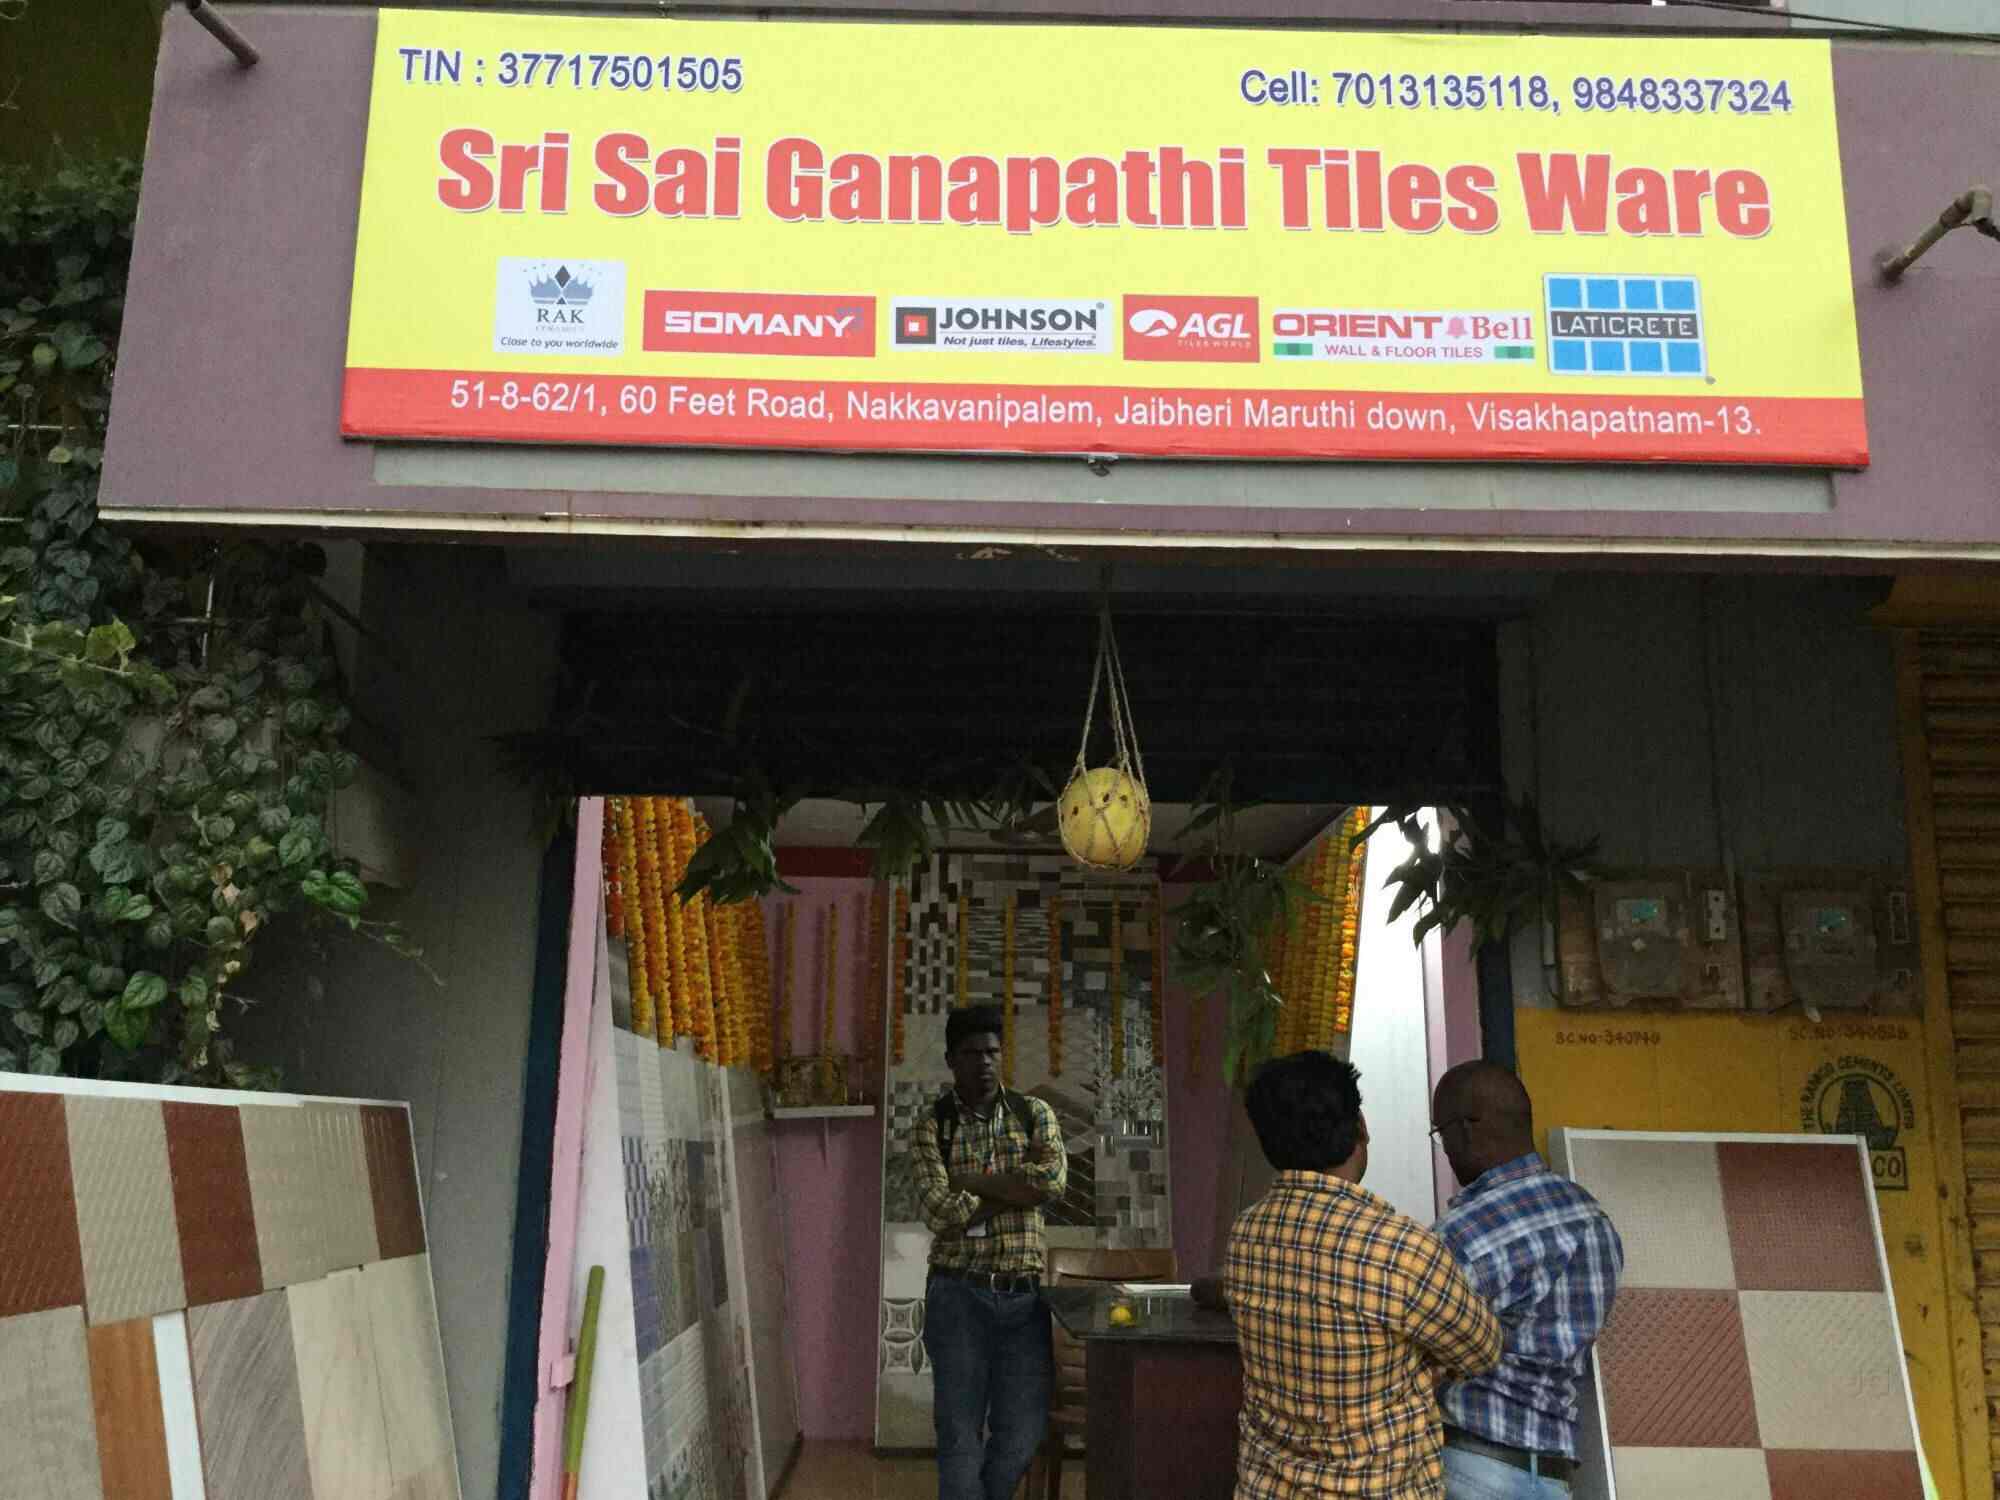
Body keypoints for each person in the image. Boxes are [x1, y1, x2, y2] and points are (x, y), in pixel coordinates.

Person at [1224, 1051, 1502, 1499]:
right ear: (1361, 1128)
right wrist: (1416, 1363)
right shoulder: (1401, 1249)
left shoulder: (1246, 1234)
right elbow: (1481, 1351)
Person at [1429, 1062, 1623, 1499]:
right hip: (1553, 1479)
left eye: (1441, 1135)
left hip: (1470, 1470)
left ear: (1467, 1129)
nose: (1447, 1149)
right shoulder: (1593, 1222)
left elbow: (1416, 1355)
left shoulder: (1463, 1233)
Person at [910, 1003, 1068, 1500]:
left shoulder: (1033, 1113)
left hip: (1024, 1301)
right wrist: (1015, 1187)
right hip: (958, 1296)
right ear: (951, 1059)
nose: (984, 1061)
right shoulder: (932, 1124)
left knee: (1022, 1433)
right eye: (972, 1052)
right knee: (959, 1437)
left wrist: (971, 1184)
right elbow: (940, 1212)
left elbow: (1053, 1183)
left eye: (993, 1052)